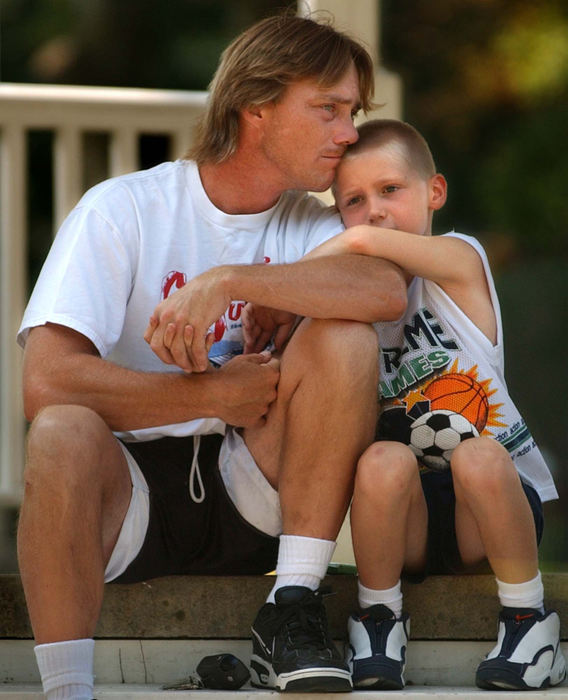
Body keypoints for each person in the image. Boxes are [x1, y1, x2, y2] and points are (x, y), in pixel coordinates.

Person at [16, 14, 408, 699]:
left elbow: (382, 287)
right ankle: (66, 689)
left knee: (343, 334)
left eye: (352, 113)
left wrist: (231, 280)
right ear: (255, 107)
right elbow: (46, 381)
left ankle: (291, 607)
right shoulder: (124, 209)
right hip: (126, 500)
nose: (348, 133)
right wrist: (207, 395)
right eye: (327, 110)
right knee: (59, 429)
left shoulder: (311, 223)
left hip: (254, 491)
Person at [293, 118, 565, 691]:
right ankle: (379, 619)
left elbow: (367, 241)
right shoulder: (347, 307)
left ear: (434, 191)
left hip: (489, 513)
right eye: (354, 201)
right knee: (379, 461)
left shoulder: (460, 262)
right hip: (404, 523)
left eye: (391, 190)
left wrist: (336, 245)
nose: (375, 211)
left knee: (478, 456)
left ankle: (528, 620)